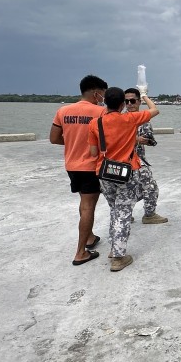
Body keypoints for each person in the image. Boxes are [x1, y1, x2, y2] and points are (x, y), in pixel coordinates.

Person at [87, 86, 160, 271]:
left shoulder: (96, 123)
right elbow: (155, 110)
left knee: (114, 210)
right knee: (123, 213)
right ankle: (119, 257)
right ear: (122, 104)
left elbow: (93, 152)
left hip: (104, 172)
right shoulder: (130, 119)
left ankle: (113, 248)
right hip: (126, 172)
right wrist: (144, 95)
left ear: (105, 102)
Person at [51, 75, 108, 265]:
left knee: (84, 202)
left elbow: (54, 138)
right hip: (92, 166)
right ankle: (81, 252)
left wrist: (74, 142)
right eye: (103, 94)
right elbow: (107, 140)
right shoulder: (101, 112)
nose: (103, 97)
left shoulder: (63, 111)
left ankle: (90, 236)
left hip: (72, 165)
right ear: (96, 93)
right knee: (88, 206)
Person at [124, 87, 167, 226]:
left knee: (147, 187)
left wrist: (146, 141)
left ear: (138, 102)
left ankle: (144, 214)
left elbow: (151, 140)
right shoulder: (120, 117)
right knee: (134, 189)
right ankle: (131, 214)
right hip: (124, 161)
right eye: (126, 101)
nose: (129, 104)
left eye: (132, 101)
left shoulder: (144, 118)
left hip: (139, 160)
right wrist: (134, 139)